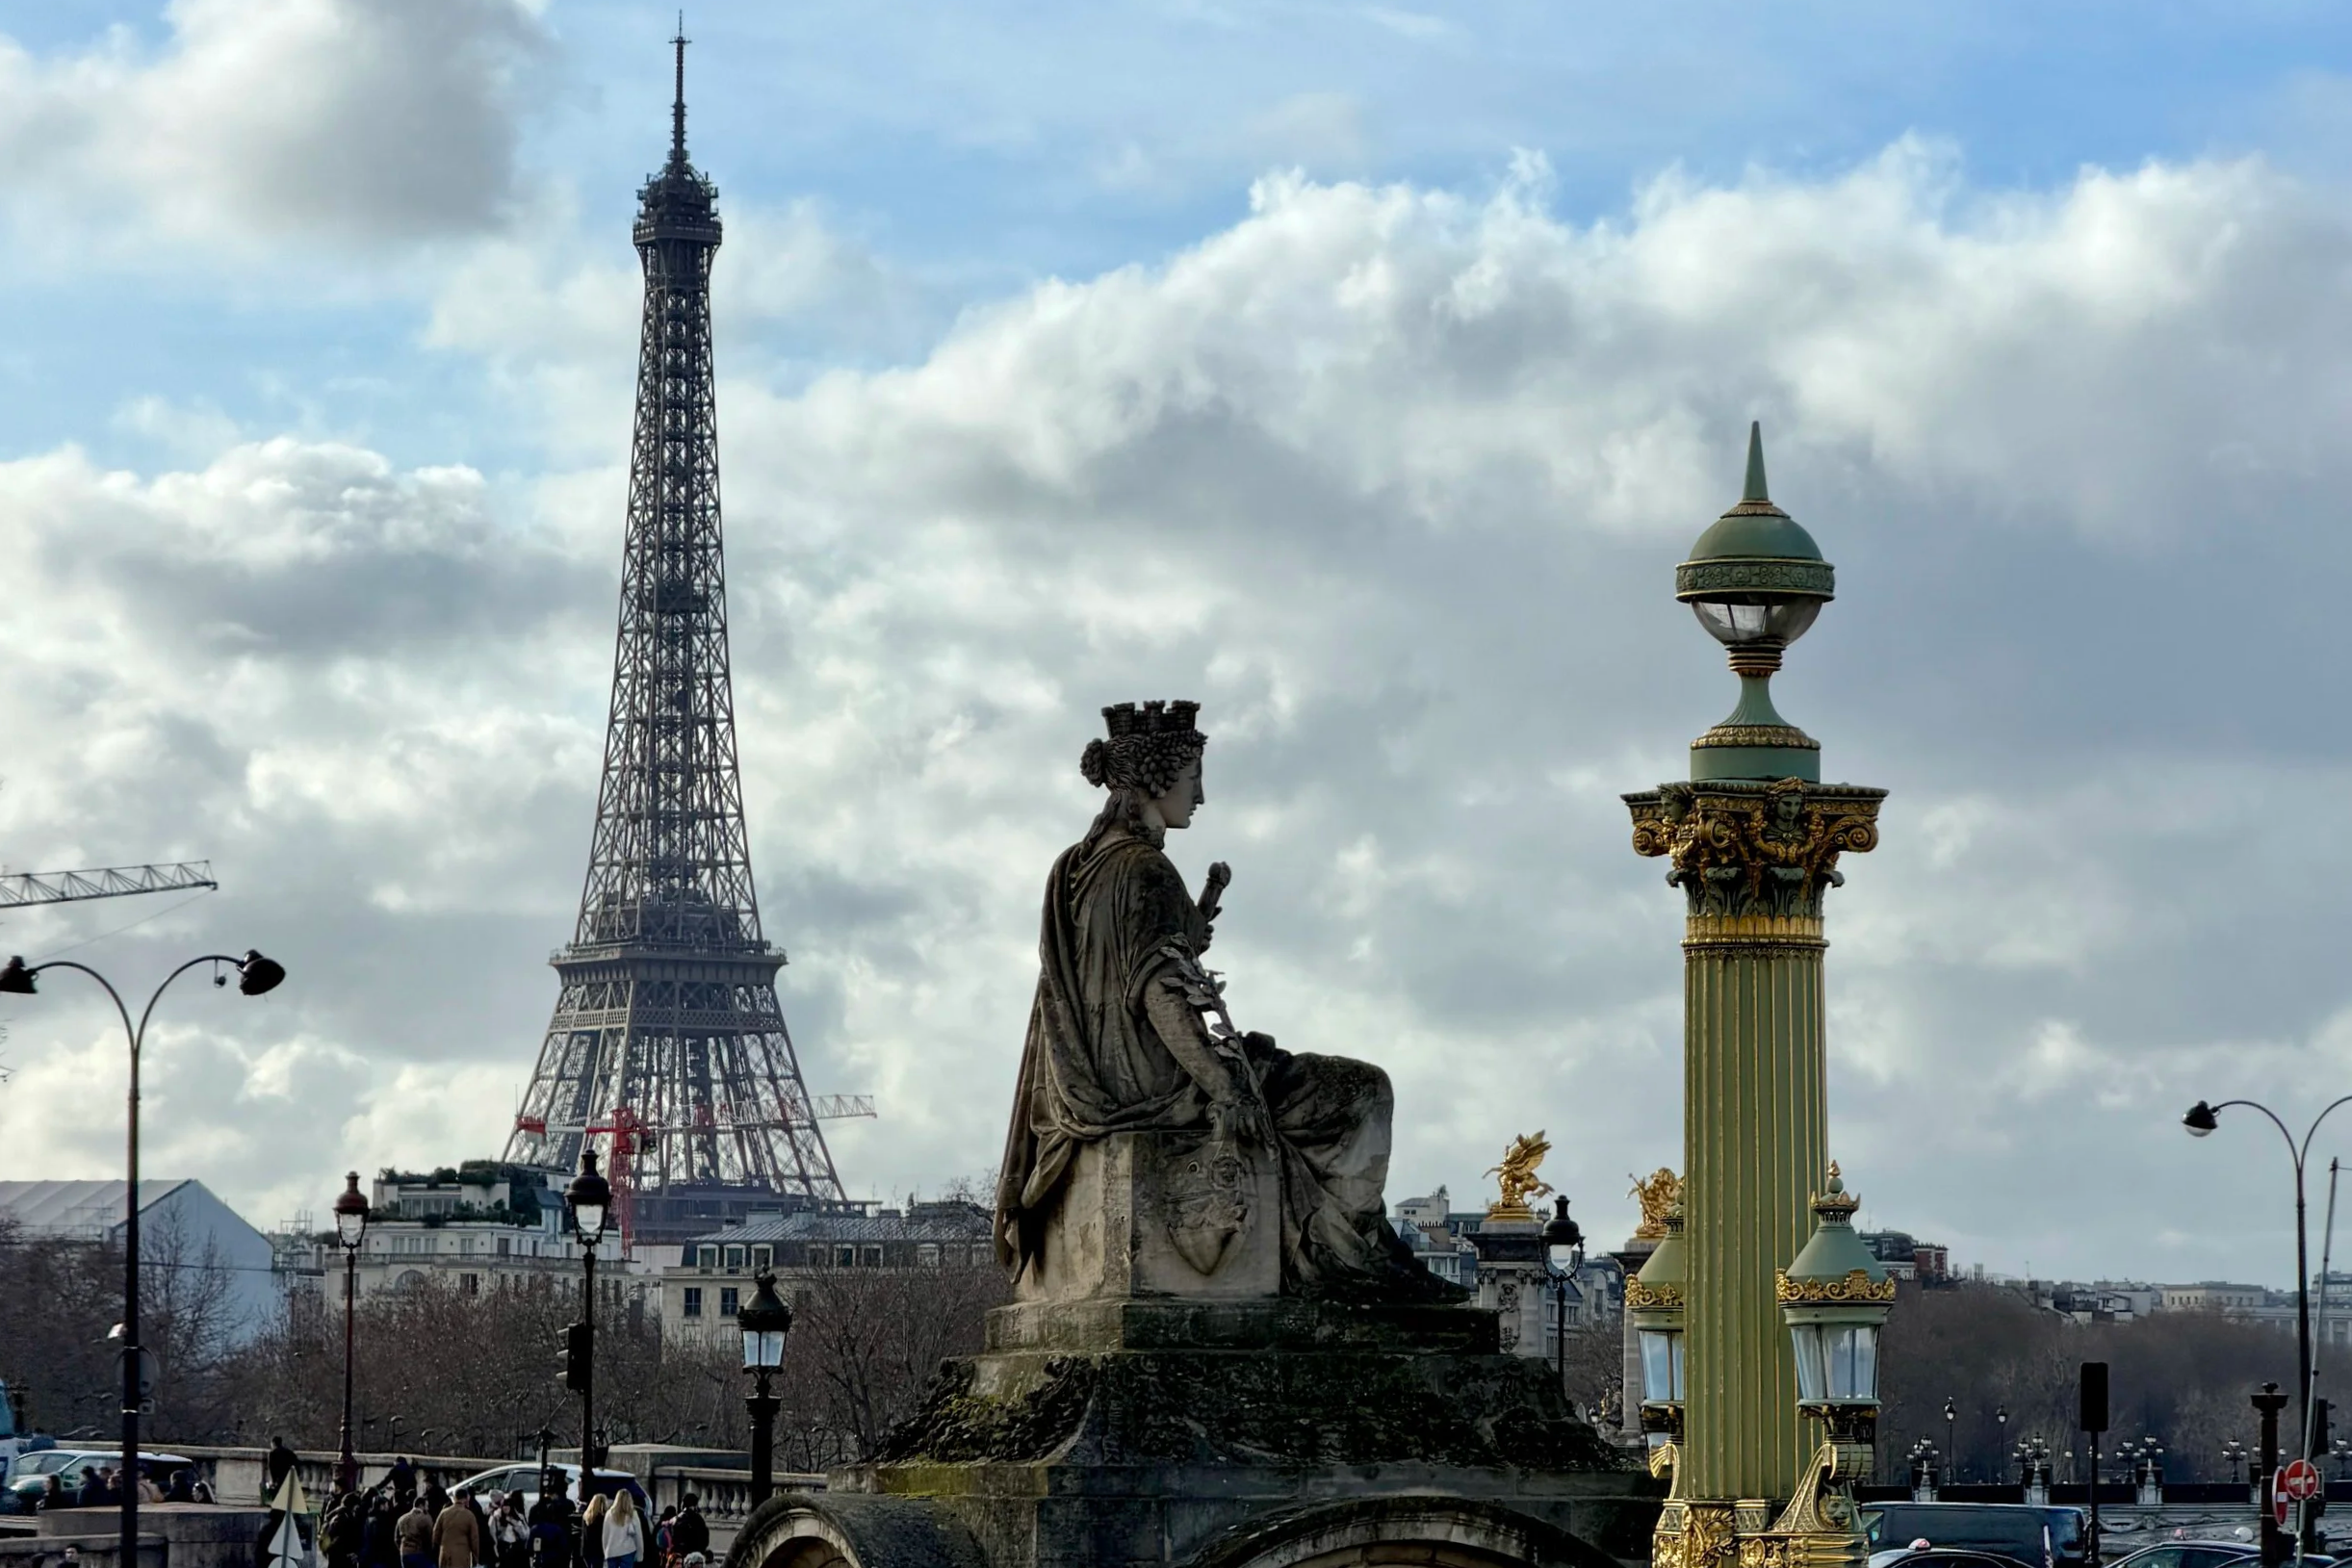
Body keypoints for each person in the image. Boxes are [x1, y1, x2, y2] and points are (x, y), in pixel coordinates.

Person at [995, 700, 1450, 1301]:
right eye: (1193, 778)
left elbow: (1110, 974)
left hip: (1090, 1086)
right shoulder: (1146, 870)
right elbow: (1159, 992)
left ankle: (1356, 1245)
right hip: (1158, 1085)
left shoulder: (1075, 870)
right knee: (1363, 1091)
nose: (1201, 796)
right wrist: (1226, 1088)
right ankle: (1347, 1257)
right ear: (1158, 779)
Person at [432, 1488, 480, 1568]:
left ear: (454, 1498)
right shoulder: (469, 1515)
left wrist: (438, 1549)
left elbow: (436, 1534)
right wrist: (475, 1558)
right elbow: (474, 1539)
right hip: (461, 1556)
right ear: (466, 1498)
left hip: (445, 1554)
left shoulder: (444, 1513)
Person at [598, 1490, 642, 1568]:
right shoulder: (632, 1514)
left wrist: (605, 1552)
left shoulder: (609, 1514)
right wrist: (640, 1554)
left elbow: (605, 1535)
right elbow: (638, 1535)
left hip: (611, 1551)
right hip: (628, 1550)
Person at [395, 1496, 434, 1568]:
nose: (428, 1508)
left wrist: (402, 1549)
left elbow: (396, 1539)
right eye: (426, 1506)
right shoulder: (424, 1518)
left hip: (404, 1553)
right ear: (421, 1505)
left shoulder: (401, 1519)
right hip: (418, 1552)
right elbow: (429, 1537)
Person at [665, 1498, 707, 1566]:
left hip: (679, 1553)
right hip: (693, 1554)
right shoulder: (698, 1519)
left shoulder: (676, 1518)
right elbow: (704, 1538)